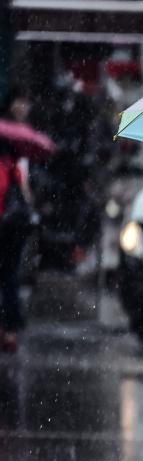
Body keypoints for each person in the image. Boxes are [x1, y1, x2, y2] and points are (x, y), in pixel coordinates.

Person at [0, 91, 36, 353]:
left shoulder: (10, 163)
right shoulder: (12, 163)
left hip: (8, 225)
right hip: (13, 225)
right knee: (9, 276)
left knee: (8, 276)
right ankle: (10, 328)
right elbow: (22, 193)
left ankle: (9, 327)